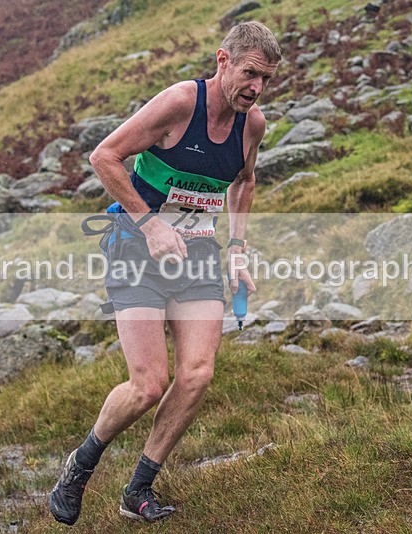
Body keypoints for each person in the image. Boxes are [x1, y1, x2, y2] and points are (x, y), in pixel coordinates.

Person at [49, 21, 280, 524]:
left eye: (265, 79)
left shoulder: (252, 124)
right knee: (148, 384)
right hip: (135, 248)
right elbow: (104, 156)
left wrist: (237, 247)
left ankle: (138, 488)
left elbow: (245, 180)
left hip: (196, 253)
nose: (256, 88)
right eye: (249, 73)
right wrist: (151, 225)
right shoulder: (180, 103)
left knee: (197, 374)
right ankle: (80, 464)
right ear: (223, 61)